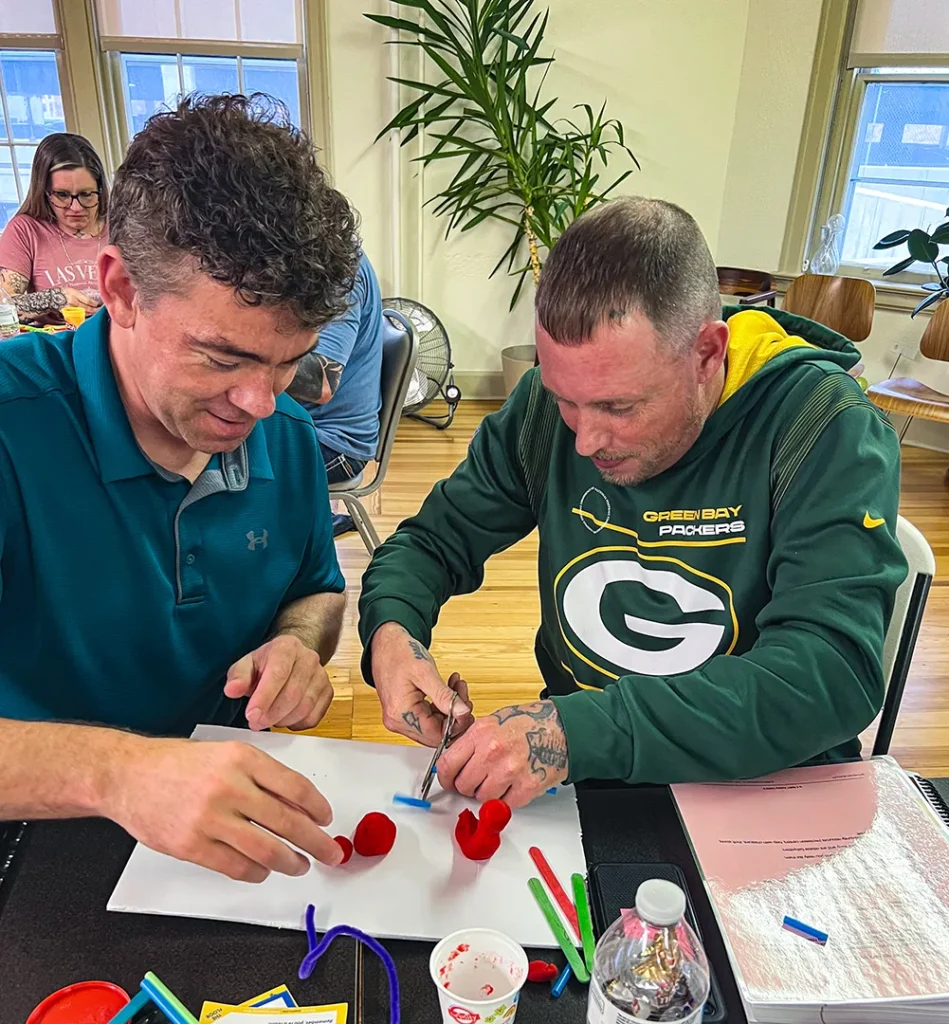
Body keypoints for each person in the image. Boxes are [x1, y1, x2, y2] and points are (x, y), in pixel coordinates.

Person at [358, 196, 908, 807]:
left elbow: (831, 671)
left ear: (707, 353)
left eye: (619, 407)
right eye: (567, 399)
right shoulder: (549, 411)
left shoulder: (823, 427)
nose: (586, 439)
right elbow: (432, 542)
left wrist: (578, 731)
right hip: (593, 777)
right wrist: (391, 630)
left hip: (764, 788)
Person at [0, 94, 362, 883]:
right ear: (121, 290)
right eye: (224, 358)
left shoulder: (286, 436)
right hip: (42, 838)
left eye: (288, 360)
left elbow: (317, 591)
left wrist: (299, 647)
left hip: (235, 827)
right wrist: (119, 773)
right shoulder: (11, 427)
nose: (261, 402)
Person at [288, 251, 384, 535]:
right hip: (307, 427)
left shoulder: (337, 264)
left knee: (203, 457)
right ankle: (307, 521)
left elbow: (321, 381)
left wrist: (239, 355)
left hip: (333, 444)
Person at [0, 132, 108, 322]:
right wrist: (55, 299)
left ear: (100, 190)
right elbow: (3, 309)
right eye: (62, 195)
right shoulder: (25, 230)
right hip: (55, 345)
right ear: (44, 192)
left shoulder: (124, 225)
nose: (76, 207)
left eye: (86, 194)